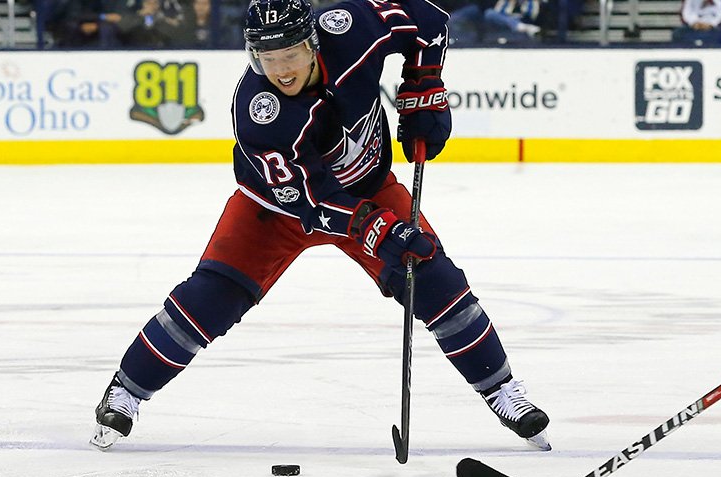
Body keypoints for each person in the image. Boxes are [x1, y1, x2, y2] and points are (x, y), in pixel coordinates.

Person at [90, 0, 551, 453]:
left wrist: (423, 85)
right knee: (213, 297)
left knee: (433, 278)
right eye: (266, 59)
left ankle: (502, 390)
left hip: (369, 188)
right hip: (276, 209)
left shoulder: (351, 27)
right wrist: (380, 231)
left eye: (289, 54)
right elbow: (312, 205)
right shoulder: (259, 111)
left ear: (314, 42)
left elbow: (429, 23)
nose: (280, 70)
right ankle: (125, 392)